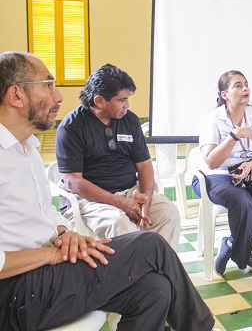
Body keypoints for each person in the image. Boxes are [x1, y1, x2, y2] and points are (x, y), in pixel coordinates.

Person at [0, 51, 214, 331]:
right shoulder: (67, 129)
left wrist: (64, 234)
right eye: (48, 85)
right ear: (16, 96)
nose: (59, 97)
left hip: (46, 268)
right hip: (16, 289)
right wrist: (51, 254)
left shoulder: (25, 150)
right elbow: (73, 184)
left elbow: (44, 211)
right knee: (149, 244)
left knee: (155, 288)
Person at [55, 64, 180, 251]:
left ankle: (163, 272)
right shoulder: (72, 127)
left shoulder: (130, 120)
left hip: (130, 192)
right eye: (121, 100)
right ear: (99, 101)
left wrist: (145, 197)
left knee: (168, 213)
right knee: (120, 223)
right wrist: (119, 203)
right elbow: (73, 182)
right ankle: (135, 278)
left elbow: (144, 164)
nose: (127, 105)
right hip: (89, 200)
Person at [192, 70, 252, 277]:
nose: (245, 89)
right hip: (216, 176)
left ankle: (234, 244)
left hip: (250, 172)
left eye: (246, 84)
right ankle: (244, 254)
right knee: (244, 203)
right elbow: (212, 162)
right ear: (224, 94)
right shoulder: (213, 119)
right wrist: (233, 136)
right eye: (237, 85)